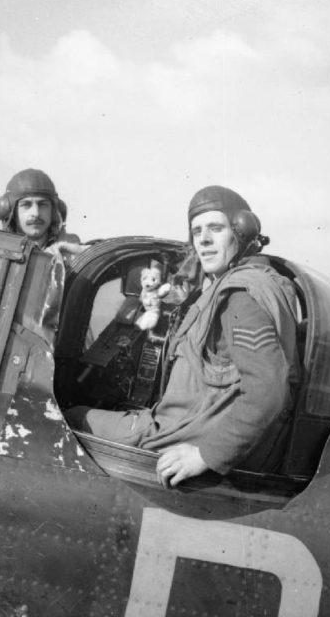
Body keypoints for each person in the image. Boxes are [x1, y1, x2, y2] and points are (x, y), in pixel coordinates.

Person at [68, 185, 301, 488]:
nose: (203, 239)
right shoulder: (260, 282)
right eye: (197, 231)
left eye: (215, 228)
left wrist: (207, 455)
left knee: (71, 416)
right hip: (192, 425)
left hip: (182, 434)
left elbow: (267, 390)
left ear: (241, 233)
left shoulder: (239, 297)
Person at [0, 168, 89, 261]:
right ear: (11, 211)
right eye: (26, 205)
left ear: (53, 210)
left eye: (43, 204)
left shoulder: (71, 252)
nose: (36, 213)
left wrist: (86, 256)